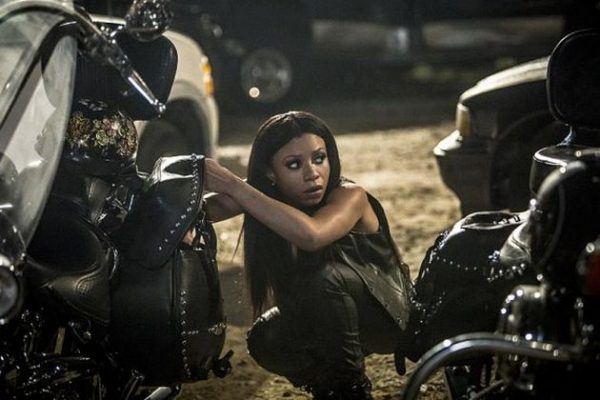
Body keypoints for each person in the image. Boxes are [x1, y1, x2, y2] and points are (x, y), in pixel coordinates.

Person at [204, 111, 413, 399]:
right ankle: (328, 389)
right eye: (294, 164)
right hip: (328, 321)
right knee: (267, 337)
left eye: (319, 158)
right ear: (270, 173)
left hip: (387, 316)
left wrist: (233, 185)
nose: (312, 173)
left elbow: (312, 235)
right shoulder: (270, 197)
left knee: (326, 278)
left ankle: (350, 392)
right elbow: (203, 210)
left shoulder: (351, 195)